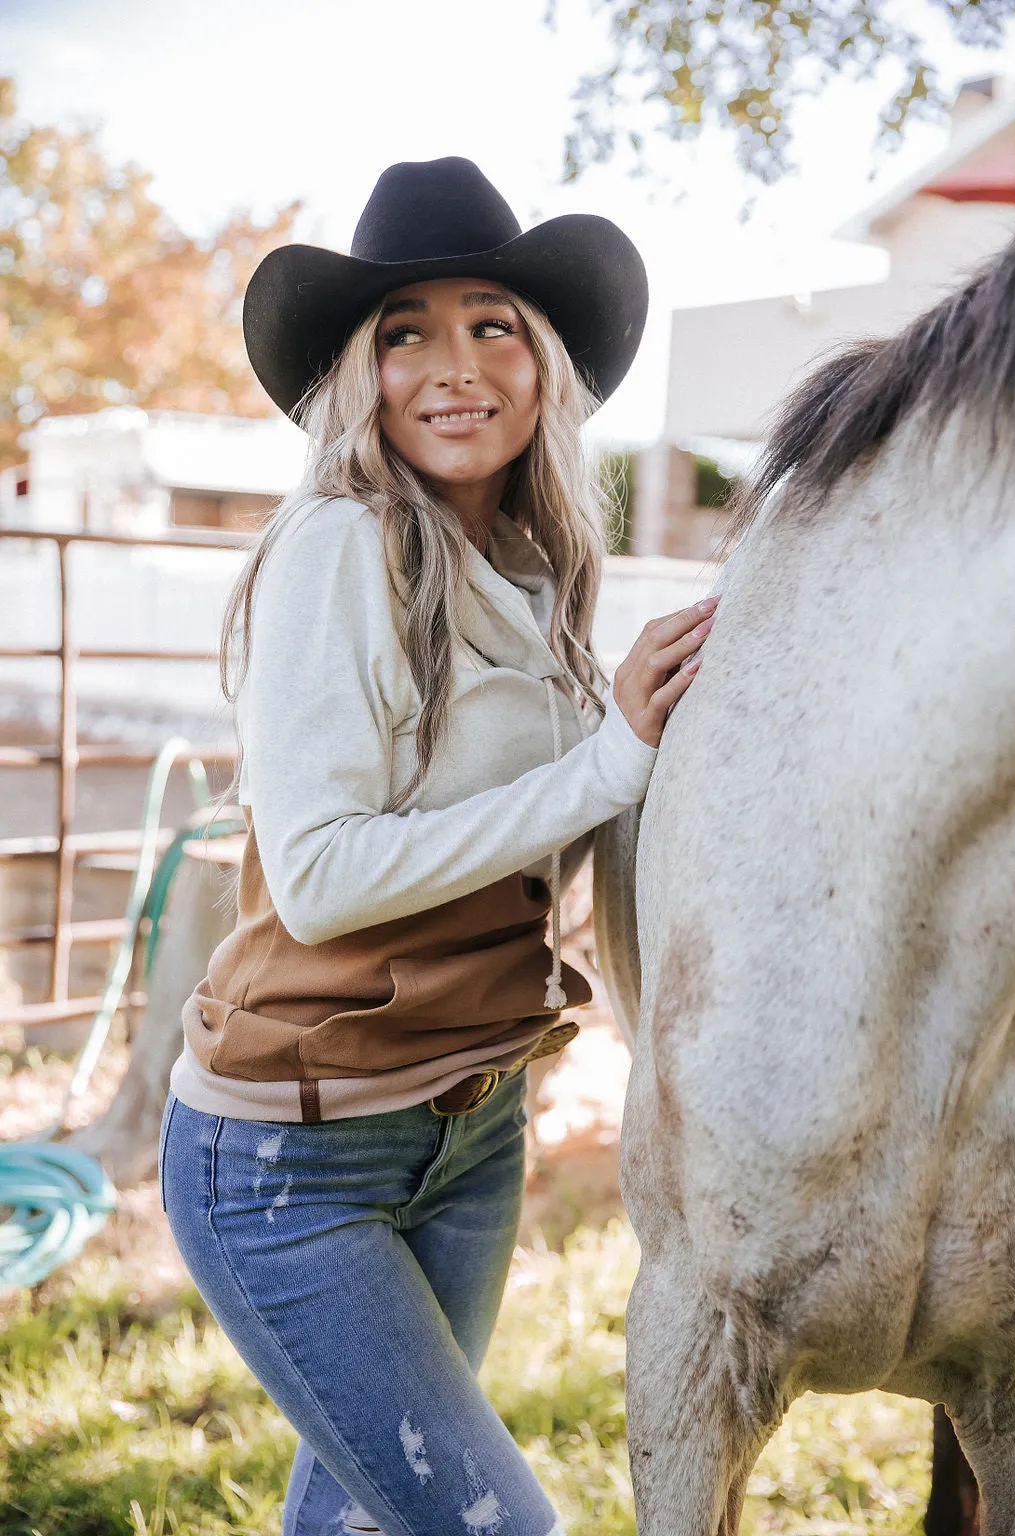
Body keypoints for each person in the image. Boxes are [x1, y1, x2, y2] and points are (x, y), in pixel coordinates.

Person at [159, 156, 716, 1536]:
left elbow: (552, 839)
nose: (452, 366)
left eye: (492, 324)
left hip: (471, 1127)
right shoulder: (344, 545)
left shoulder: (528, 578)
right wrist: (609, 762)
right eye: (403, 331)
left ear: (544, 369)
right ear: (363, 374)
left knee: (358, 1519)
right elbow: (330, 873)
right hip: (297, 1157)